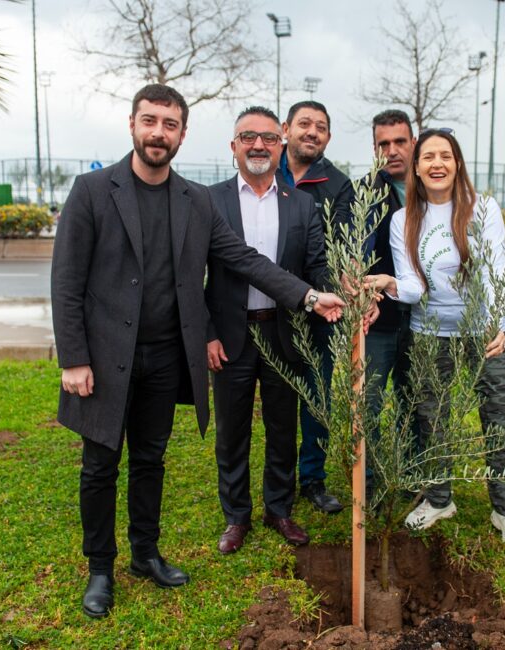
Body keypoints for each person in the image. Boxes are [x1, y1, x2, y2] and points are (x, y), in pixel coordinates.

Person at [51, 84, 344, 619]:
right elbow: (66, 280)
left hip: (166, 357)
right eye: (149, 121)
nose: (158, 133)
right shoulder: (92, 190)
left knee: (150, 460)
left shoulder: (194, 200)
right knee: (100, 466)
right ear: (133, 124)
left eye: (169, 124)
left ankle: (145, 554)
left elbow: (245, 260)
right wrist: (73, 357)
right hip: (105, 357)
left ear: (182, 134)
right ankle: (100, 568)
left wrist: (308, 295)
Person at [365, 128, 505, 549]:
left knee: (498, 419)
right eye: (428, 157)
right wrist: (389, 282)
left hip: (487, 331)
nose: (437, 163)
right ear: (417, 168)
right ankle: (439, 499)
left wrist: (494, 321)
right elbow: (414, 286)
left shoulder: (482, 208)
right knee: (431, 419)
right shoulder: (403, 219)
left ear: (457, 164)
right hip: (431, 333)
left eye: (445, 156)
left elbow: (495, 269)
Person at [205, 106, 328, 555]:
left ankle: (279, 509)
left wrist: (341, 289)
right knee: (231, 432)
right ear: (234, 146)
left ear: (281, 145)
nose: (258, 145)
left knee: (282, 428)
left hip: (284, 334)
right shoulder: (209, 201)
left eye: (268, 138)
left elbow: (316, 266)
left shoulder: (302, 204)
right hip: (229, 337)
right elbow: (190, 276)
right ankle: (236, 516)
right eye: (248, 137)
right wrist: (206, 333)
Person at [276, 100, 354, 515]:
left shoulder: (338, 185)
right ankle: (278, 479)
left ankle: (313, 478)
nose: (312, 132)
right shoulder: (267, 170)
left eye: (320, 127)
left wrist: (320, 293)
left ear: (328, 137)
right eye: (304, 123)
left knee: (316, 395)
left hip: (320, 308)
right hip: (268, 303)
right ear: (285, 128)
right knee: (276, 398)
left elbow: (335, 249)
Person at [361, 110, 417, 492]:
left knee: (413, 401)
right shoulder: (365, 192)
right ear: (375, 148)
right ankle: (371, 480)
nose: (392, 150)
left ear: (413, 142)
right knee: (371, 403)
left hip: (423, 319)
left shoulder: (434, 188)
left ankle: (408, 476)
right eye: (384, 143)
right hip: (379, 322)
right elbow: (353, 253)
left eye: (400, 141)